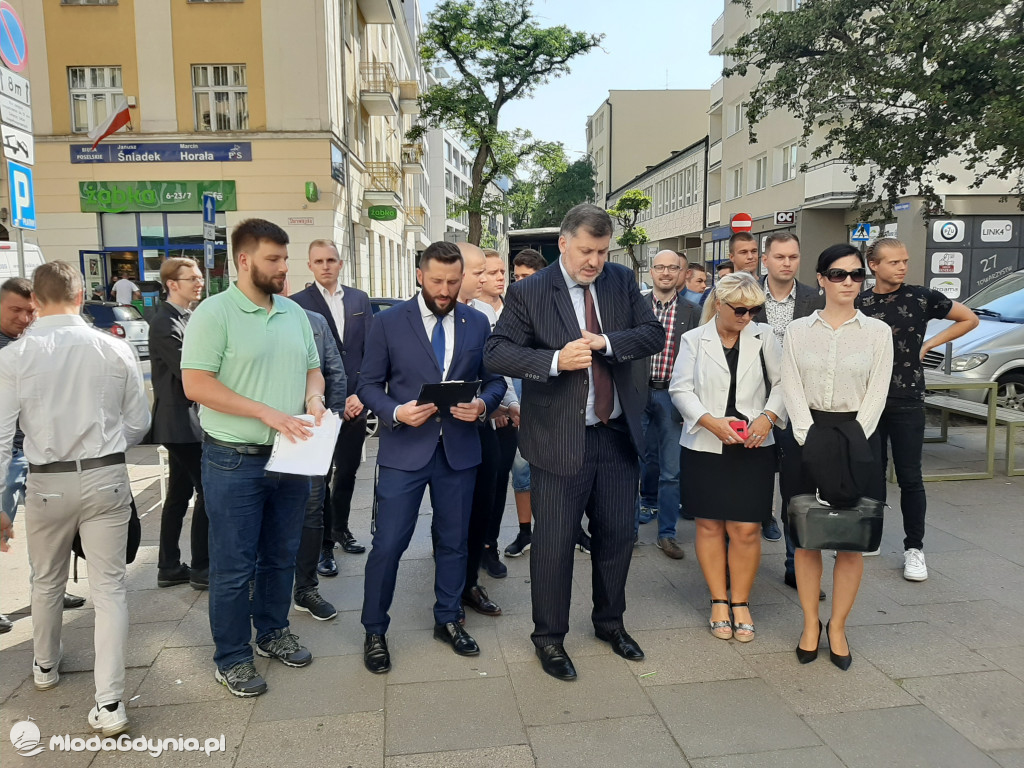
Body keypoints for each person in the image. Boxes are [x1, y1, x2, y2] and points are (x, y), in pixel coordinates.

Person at [484, 204, 664, 681]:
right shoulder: (529, 292)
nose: (595, 261)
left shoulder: (621, 281)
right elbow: (497, 350)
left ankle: (610, 622)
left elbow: (652, 333)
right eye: (587, 250)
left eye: (603, 252)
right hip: (559, 439)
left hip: (616, 436)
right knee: (554, 545)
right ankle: (549, 638)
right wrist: (553, 361)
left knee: (618, 538)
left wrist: (605, 343)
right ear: (563, 243)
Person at [0, 261, 150, 736]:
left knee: (45, 578)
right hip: (105, 475)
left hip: (46, 479)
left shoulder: (15, 357)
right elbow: (139, 420)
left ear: (37, 303)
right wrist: (108, 446)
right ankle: (109, 704)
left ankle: (45, 665)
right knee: (110, 589)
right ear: (81, 295)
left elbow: (3, 438)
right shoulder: (113, 348)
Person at [182, 218, 325, 698]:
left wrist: (314, 401)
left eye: (285, 258)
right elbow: (196, 384)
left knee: (280, 556)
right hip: (233, 460)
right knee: (233, 565)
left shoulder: (294, 313)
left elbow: (312, 369)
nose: (284, 268)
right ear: (243, 260)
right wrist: (266, 411)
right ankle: (232, 657)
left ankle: (272, 632)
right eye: (274, 259)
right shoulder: (213, 313)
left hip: (291, 455)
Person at [357, 241, 506, 674]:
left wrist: (482, 406)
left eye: (453, 281)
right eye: (437, 281)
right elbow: (367, 385)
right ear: (420, 275)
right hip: (404, 451)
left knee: (454, 542)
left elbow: (494, 381)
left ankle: (448, 619)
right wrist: (394, 411)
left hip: (459, 452)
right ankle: (374, 629)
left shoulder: (476, 322)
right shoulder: (388, 323)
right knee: (388, 544)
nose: (445, 289)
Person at [782, 244, 893, 670]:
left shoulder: (877, 333)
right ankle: (810, 623)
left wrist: (851, 441)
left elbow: (878, 392)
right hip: (805, 434)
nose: (849, 281)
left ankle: (839, 626)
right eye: (839, 273)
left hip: (857, 437)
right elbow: (790, 384)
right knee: (807, 538)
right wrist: (810, 438)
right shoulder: (797, 331)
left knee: (852, 540)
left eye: (856, 274)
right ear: (822, 278)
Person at [669, 272, 785, 642]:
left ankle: (741, 602)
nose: (746, 316)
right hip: (705, 443)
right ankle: (719, 599)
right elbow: (680, 388)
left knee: (746, 528)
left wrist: (768, 418)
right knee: (709, 526)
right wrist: (709, 421)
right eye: (739, 309)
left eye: (753, 310)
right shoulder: (693, 339)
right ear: (719, 304)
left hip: (753, 442)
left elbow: (783, 383)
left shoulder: (763, 336)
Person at [857, 237, 978, 579]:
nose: (902, 267)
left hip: (908, 397)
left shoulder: (921, 297)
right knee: (871, 471)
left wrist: (929, 344)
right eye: (894, 262)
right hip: (868, 399)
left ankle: (915, 548)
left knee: (910, 476)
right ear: (874, 265)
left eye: (905, 261)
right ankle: (870, 536)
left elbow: (969, 318)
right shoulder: (860, 301)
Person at [0, 278, 86, 636]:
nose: (24, 317)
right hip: (9, 452)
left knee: (46, 533)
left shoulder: (35, 343)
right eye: (14, 310)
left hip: (38, 454)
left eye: (29, 310)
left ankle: (48, 591)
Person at [290, 239, 370, 578]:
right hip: (319, 407)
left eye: (331, 260)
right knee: (319, 478)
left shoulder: (359, 299)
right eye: (319, 261)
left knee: (348, 471)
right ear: (309, 265)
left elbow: (372, 349)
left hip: (355, 404)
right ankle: (321, 545)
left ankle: (341, 529)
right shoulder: (296, 305)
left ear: (340, 263)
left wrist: (362, 394)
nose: (325, 266)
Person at [751, 233, 826, 594]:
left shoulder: (816, 298)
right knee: (753, 483)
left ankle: (796, 563)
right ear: (765, 260)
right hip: (752, 404)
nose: (786, 263)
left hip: (800, 406)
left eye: (793, 256)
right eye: (779, 256)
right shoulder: (746, 295)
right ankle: (742, 559)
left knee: (798, 489)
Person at [456, 242, 516, 607]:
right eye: (478, 271)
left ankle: (471, 576)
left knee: (488, 495)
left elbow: (496, 373)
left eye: (490, 272)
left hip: (484, 423)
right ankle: (453, 576)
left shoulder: (479, 318)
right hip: (441, 433)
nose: (485, 279)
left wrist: (505, 403)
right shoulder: (419, 317)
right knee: (452, 509)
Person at [148, 258, 210, 591]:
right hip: (180, 423)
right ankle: (202, 567)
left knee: (178, 495)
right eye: (192, 279)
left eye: (200, 277)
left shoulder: (186, 316)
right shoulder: (164, 322)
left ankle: (168, 566)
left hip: (184, 422)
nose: (199, 283)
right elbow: (189, 370)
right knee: (207, 491)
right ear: (172, 283)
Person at [643, 250, 700, 559]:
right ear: (652, 271)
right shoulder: (634, 306)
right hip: (638, 393)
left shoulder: (693, 311)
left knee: (671, 470)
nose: (665, 272)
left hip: (673, 396)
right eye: (660, 267)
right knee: (634, 462)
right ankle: (627, 530)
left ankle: (667, 534)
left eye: (672, 268)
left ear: (682, 273)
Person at [292, 308, 348, 620]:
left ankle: (306, 588)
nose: (282, 268)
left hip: (311, 433)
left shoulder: (313, 321)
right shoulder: (229, 315)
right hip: (260, 435)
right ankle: (253, 586)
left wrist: (332, 425)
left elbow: (334, 373)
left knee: (312, 511)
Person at [503, 249, 548, 557]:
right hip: (521, 397)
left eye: (526, 277)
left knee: (560, 470)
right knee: (522, 469)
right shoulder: (512, 313)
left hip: (554, 401)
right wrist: (511, 402)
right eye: (516, 277)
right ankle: (524, 532)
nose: (519, 283)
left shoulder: (558, 311)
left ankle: (569, 530)